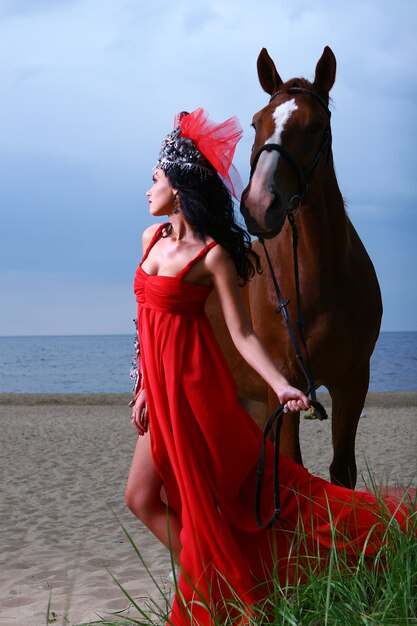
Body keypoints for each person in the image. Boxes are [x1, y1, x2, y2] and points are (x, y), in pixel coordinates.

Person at [125, 108, 414, 626]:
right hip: (160, 394)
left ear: (179, 186)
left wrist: (280, 384)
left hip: (194, 395)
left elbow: (242, 334)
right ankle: (223, 576)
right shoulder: (150, 243)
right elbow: (143, 322)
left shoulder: (211, 255)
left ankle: (219, 587)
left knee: (211, 500)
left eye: (154, 180)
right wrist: (143, 384)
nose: (147, 190)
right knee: (140, 497)